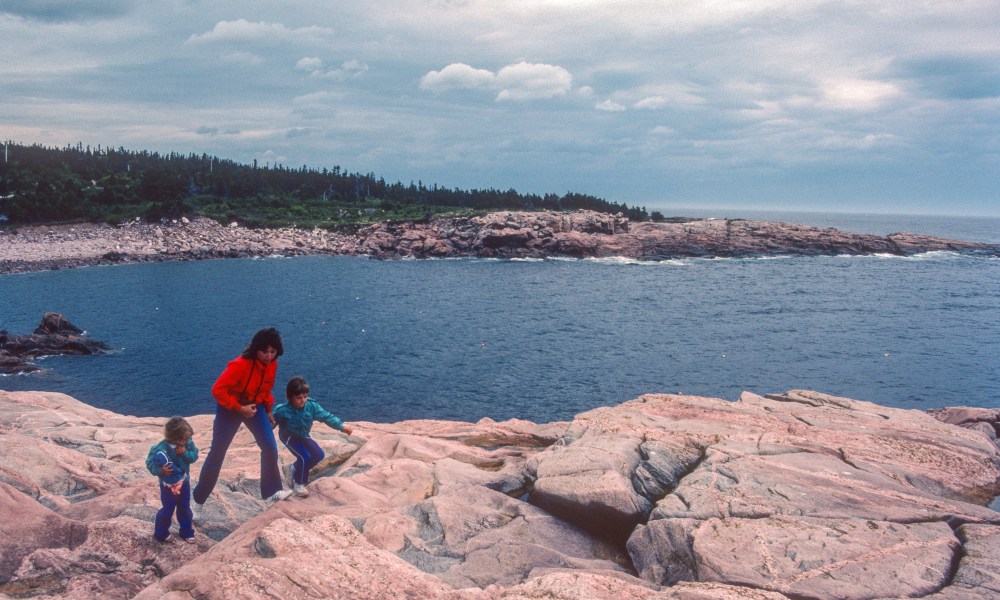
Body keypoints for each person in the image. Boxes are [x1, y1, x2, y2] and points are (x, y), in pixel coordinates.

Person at [192, 327, 292, 517]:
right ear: (256, 349)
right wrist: (239, 408)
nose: (269, 356)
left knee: (270, 448)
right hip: (231, 408)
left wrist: (269, 410)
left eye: (273, 352)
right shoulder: (239, 365)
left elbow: (265, 388)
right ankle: (197, 500)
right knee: (218, 453)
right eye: (265, 351)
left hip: (255, 406)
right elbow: (218, 390)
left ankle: (271, 493)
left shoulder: (272, 364)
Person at [271, 375, 353, 497]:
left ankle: (292, 469)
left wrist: (341, 427)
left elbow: (326, 416)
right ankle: (299, 483)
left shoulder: (311, 406)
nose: (303, 400)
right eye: (298, 398)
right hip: (288, 437)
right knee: (304, 457)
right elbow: (270, 424)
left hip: (303, 435)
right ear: (290, 397)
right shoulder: (282, 410)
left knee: (319, 455)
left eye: (305, 396)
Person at [146, 416, 199, 543]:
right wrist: (160, 470)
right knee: (168, 509)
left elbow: (194, 457)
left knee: (185, 507)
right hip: (167, 486)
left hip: (184, 482)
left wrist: (185, 453)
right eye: (185, 439)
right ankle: (161, 532)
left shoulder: (188, 444)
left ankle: (186, 531)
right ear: (175, 438)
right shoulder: (159, 449)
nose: (187, 441)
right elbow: (150, 463)